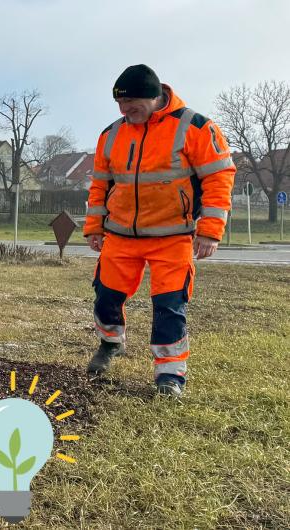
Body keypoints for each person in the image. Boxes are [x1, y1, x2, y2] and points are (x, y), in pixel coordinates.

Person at [83, 64, 235, 398]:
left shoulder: (195, 127)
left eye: (132, 103)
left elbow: (219, 178)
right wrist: (94, 227)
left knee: (169, 306)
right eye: (120, 105)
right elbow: (100, 186)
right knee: (106, 296)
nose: (125, 111)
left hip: (173, 238)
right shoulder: (110, 135)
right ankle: (110, 345)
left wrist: (210, 231)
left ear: (154, 97)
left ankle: (170, 376)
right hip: (120, 237)